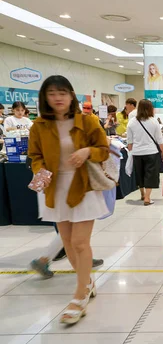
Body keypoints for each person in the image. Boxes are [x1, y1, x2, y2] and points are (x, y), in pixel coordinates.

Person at [28, 75, 110, 324]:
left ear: (71, 95)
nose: (58, 98)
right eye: (52, 93)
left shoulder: (88, 121)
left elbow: (105, 150)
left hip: (83, 188)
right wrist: (40, 172)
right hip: (55, 190)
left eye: (62, 93)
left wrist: (87, 151)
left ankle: (79, 295)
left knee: (80, 242)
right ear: (45, 97)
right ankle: (86, 282)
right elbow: (35, 155)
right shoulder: (39, 125)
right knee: (67, 242)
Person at [127, 99, 163, 206]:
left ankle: (142, 194)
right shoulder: (154, 121)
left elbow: (129, 141)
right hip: (151, 152)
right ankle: (147, 197)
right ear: (150, 109)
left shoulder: (132, 122)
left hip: (137, 152)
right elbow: (159, 139)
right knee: (150, 175)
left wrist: (130, 153)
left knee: (140, 174)